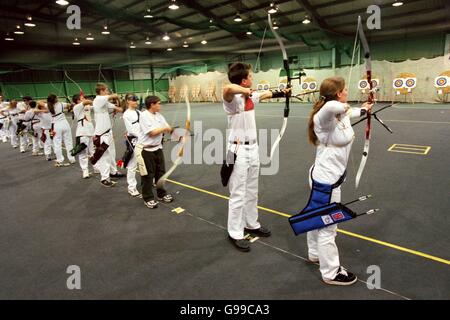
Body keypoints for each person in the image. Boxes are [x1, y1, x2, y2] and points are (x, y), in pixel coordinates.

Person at [305, 76, 372, 286]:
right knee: (328, 227)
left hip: (327, 178)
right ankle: (331, 272)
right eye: (344, 90)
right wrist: (341, 104)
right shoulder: (323, 115)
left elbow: (346, 113)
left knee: (317, 217)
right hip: (326, 182)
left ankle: (315, 253)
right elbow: (333, 107)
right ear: (339, 93)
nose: (346, 93)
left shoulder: (337, 113)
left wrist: (364, 109)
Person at [222, 62, 289, 252]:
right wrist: (246, 91)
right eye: (250, 76)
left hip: (253, 149)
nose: (252, 79)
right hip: (236, 150)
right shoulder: (232, 100)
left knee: (252, 190)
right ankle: (235, 232)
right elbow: (227, 88)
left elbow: (266, 94)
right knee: (237, 193)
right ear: (244, 80)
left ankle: (251, 224)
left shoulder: (249, 97)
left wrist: (283, 93)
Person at [135, 95, 174, 209]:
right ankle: (148, 198)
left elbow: (168, 128)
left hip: (158, 148)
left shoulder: (159, 116)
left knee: (161, 173)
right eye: (158, 103)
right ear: (152, 104)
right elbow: (152, 132)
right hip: (146, 150)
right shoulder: (144, 116)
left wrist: (179, 134)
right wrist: (165, 128)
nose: (160, 105)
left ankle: (161, 194)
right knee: (147, 175)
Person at [91, 83, 124, 187]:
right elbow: (112, 96)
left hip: (108, 132)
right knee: (104, 156)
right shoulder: (98, 100)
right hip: (102, 134)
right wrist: (116, 96)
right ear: (101, 91)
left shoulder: (105, 102)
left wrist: (120, 102)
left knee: (112, 153)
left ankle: (113, 172)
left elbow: (120, 109)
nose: (108, 92)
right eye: (106, 90)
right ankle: (104, 178)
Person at [122, 93, 142, 197]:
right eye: (133, 100)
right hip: (134, 140)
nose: (136, 102)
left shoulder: (139, 112)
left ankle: (148, 181)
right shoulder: (126, 114)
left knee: (146, 163)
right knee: (132, 165)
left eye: (136, 100)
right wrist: (142, 137)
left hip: (142, 140)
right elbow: (131, 130)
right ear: (128, 101)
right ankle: (131, 187)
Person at [72, 94, 94, 179]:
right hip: (82, 132)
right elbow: (87, 102)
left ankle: (96, 167)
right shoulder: (76, 107)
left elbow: (95, 107)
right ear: (77, 101)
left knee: (93, 151)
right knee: (83, 153)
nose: (84, 99)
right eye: (82, 98)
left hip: (91, 131)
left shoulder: (86, 107)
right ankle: (85, 171)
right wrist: (95, 101)